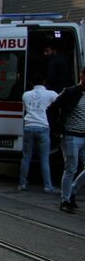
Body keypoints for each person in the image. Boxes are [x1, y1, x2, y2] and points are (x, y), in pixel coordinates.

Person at [49, 67, 85, 213]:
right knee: (71, 168)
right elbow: (52, 108)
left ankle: (72, 191)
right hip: (71, 135)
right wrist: (56, 129)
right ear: (82, 76)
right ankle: (65, 200)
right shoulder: (70, 92)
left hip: (84, 136)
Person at [19, 73, 59, 194]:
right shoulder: (50, 94)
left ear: (31, 83)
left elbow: (26, 108)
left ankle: (22, 184)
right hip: (43, 127)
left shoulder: (26, 95)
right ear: (44, 81)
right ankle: (48, 186)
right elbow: (60, 102)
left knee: (26, 157)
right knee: (44, 159)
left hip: (29, 127)